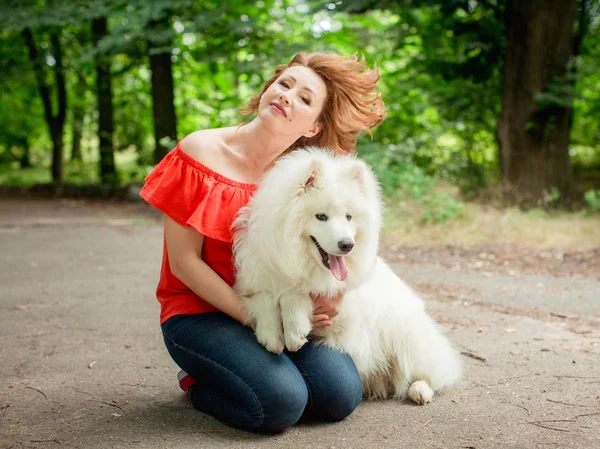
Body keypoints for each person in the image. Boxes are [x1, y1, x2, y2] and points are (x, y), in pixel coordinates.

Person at [140, 51, 386, 433]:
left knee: (338, 395)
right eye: (285, 84)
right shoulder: (199, 151)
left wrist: (333, 294)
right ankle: (200, 386)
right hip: (200, 314)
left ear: (313, 128)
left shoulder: (304, 179)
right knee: (279, 404)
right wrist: (253, 317)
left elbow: (350, 237)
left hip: (283, 306)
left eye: (305, 98)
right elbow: (183, 263)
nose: (288, 95)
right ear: (268, 90)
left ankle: (255, 373)